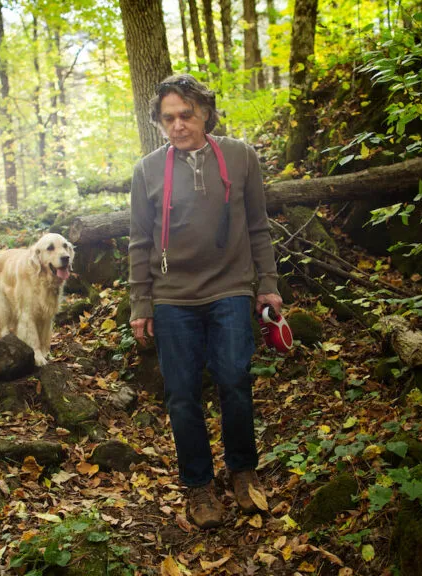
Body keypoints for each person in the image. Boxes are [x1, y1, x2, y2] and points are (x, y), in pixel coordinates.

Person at [128, 74, 282, 529]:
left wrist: (267, 284)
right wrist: (141, 303)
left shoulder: (240, 156)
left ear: (206, 114)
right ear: (160, 123)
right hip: (172, 296)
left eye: (186, 115)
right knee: (181, 395)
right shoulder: (147, 171)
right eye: (168, 118)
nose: (178, 125)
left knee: (235, 377)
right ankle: (198, 486)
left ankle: (242, 470)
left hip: (230, 287)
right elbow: (139, 241)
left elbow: (258, 224)